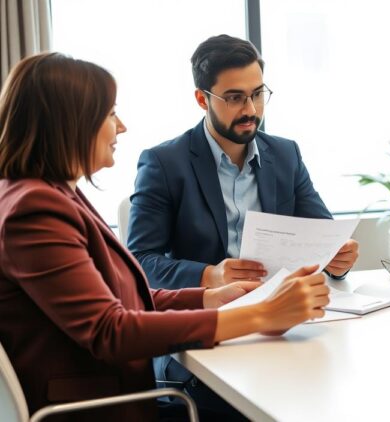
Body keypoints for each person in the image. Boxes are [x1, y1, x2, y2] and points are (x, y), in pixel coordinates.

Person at [0, 52, 330, 421]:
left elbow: (118, 297)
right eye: (110, 114)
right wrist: (259, 315)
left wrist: (210, 299)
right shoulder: (35, 209)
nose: (121, 126)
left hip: (117, 396)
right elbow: (112, 330)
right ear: (69, 123)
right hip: (102, 409)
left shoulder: (50, 194)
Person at [127, 34, 358, 292]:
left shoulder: (285, 155)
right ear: (203, 100)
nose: (251, 110)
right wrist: (209, 275)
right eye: (235, 98)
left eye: (258, 94)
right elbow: (139, 261)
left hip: (281, 305)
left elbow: (326, 240)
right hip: (208, 313)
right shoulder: (164, 164)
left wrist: (339, 260)